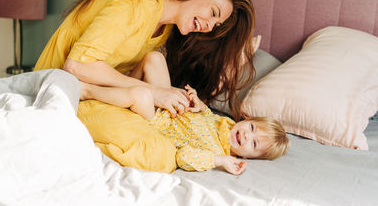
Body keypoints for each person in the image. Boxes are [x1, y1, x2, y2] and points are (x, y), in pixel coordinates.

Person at [34, 0, 256, 173]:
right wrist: (154, 91)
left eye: (216, 25)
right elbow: (76, 66)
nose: (208, 26)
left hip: (104, 93)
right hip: (66, 89)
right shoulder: (141, 1)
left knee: (159, 130)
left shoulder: (165, 25)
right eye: (213, 12)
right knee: (161, 156)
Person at [80, 51, 290, 175]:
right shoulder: (224, 123)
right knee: (155, 58)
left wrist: (220, 161)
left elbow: (184, 157)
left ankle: (87, 91)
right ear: (246, 119)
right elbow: (206, 116)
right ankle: (117, 85)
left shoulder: (215, 151)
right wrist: (198, 103)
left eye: (253, 143)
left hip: (156, 121)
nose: (246, 135)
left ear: (247, 157)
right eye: (252, 128)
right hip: (170, 107)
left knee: (142, 95)